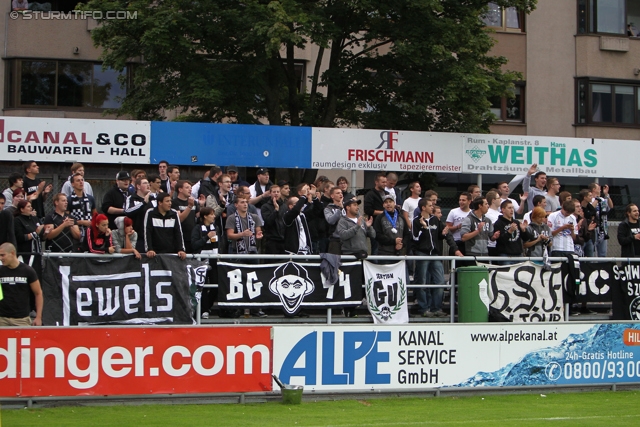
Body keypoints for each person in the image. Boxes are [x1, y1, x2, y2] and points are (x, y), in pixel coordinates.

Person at [412, 198, 462, 317]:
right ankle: (424, 308)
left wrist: (443, 233)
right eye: (430, 205)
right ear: (423, 207)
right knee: (422, 282)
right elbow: (414, 238)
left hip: (435, 254)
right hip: (422, 254)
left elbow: (439, 235)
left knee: (439, 281)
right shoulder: (416, 221)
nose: (432, 207)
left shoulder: (435, 220)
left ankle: (436, 308)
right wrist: (423, 228)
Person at [0, 243, 43, 327]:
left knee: (25, 340)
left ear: (12, 253)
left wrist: (38, 317)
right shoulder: (0, 271)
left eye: (3, 255)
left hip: (22, 319)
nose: (1, 258)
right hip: (2, 319)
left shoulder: (28, 271)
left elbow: (38, 293)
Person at [191, 207, 220, 319]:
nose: (214, 216)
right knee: (201, 286)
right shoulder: (197, 228)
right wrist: (206, 238)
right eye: (211, 214)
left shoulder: (216, 227)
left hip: (213, 260)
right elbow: (194, 245)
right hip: (201, 262)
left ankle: (206, 307)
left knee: (215, 285)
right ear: (205, 216)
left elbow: (219, 243)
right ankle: (203, 310)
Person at [144, 192, 187, 259]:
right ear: (160, 203)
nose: (170, 203)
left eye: (170, 201)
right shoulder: (150, 213)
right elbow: (147, 232)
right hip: (155, 255)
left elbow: (178, 232)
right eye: (167, 201)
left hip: (171, 254)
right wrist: (149, 249)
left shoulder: (174, 213)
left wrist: (181, 249)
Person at [14, 200, 44, 279]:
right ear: (21, 209)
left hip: (37, 254)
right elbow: (20, 237)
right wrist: (35, 233)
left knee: (38, 275)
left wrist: (46, 232)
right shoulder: (18, 220)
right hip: (26, 254)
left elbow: (41, 236)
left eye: (31, 206)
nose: (31, 208)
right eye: (28, 206)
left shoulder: (34, 219)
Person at [282, 186, 317, 255]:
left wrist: (314, 197)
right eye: (298, 203)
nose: (301, 205)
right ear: (291, 206)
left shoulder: (302, 215)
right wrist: (303, 196)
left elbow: (317, 211)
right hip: (293, 253)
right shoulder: (287, 216)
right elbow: (295, 210)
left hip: (306, 251)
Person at [125, 177, 153, 252]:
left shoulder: (153, 199)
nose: (148, 185)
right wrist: (143, 203)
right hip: (137, 235)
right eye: (145, 183)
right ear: (138, 186)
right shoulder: (131, 198)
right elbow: (128, 211)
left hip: (151, 236)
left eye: (148, 183)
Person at [364, 173, 389, 255]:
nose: (385, 184)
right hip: (375, 226)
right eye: (383, 182)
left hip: (387, 226)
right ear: (376, 182)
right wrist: (383, 212)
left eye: (385, 182)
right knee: (376, 248)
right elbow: (368, 210)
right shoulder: (370, 194)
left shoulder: (387, 194)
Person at [172, 180, 200, 253]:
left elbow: (199, 217)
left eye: (190, 188)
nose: (190, 190)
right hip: (181, 237)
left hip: (193, 237)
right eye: (187, 187)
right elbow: (180, 219)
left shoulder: (194, 202)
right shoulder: (174, 203)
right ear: (180, 189)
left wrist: (202, 206)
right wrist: (189, 207)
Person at [68, 173, 95, 244]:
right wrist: (81, 222)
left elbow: (95, 214)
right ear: (72, 184)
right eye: (78, 180)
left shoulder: (90, 198)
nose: (81, 182)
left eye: (82, 180)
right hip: (76, 230)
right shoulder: (69, 199)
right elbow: (66, 217)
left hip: (90, 229)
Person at [588, 182, 613, 257]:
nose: (600, 189)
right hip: (594, 228)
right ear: (594, 189)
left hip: (603, 228)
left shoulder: (602, 199)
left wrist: (606, 195)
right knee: (593, 251)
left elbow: (611, 206)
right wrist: (596, 199)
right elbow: (591, 208)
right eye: (598, 188)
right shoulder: (590, 199)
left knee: (603, 252)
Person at [261, 185, 285, 254]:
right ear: (270, 193)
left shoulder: (284, 206)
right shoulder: (265, 207)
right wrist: (276, 210)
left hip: (283, 240)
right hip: (271, 240)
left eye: (278, 192)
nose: (276, 193)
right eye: (274, 192)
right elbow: (268, 221)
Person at [324, 187, 345, 255]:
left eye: (341, 193)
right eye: (338, 193)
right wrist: (340, 209)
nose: (340, 194)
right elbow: (331, 220)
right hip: (335, 239)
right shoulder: (328, 208)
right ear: (332, 196)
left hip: (347, 238)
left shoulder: (347, 206)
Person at [577, 189, 597, 256]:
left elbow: (595, 218)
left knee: (590, 255)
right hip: (581, 235)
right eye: (590, 196)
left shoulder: (590, 207)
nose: (591, 197)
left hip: (589, 235)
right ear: (585, 197)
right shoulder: (578, 207)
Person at [485, 190, 502, 257]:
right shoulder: (488, 213)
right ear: (493, 200)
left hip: (498, 244)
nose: (500, 199)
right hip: (490, 245)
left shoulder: (500, 213)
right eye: (498, 198)